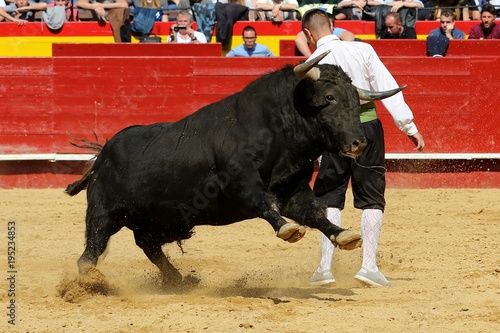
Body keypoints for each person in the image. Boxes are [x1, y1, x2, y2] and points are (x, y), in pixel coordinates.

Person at [301, 8, 424, 287]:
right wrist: (409, 127)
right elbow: (387, 87)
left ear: (308, 34)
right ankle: (368, 266)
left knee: (329, 196)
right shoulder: (362, 50)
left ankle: (324, 267)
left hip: (332, 134)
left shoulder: (309, 63)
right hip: (366, 127)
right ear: (332, 25)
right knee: (371, 196)